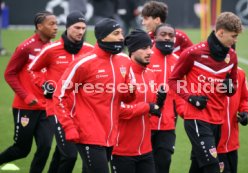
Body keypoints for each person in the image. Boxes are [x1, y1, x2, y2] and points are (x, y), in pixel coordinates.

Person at [52, 18, 136, 173]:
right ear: (103, 37)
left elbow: (127, 97)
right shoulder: (84, 63)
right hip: (88, 133)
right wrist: (69, 127)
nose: (121, 38)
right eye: (116, 33)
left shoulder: (125, 61)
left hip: (111, 134)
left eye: (121, 33)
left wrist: (130, 91)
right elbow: (59, 95)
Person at [168, 12, 243, 173]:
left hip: (217, 120)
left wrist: (229, 87)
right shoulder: (193, 53)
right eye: (234, 36)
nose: (235, 40)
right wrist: (190, 98)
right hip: (196, 118)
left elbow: (233, 88)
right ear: (221, 32)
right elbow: (173, 80)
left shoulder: (232, 56)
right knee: (213, 167)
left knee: (198, 167)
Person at [28, 11, 94, 173]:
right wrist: (45, 85)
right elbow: (32, 69)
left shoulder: (90, 50)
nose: (80, 32)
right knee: (70, 155)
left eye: (83, 28)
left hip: (81, 110)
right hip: (57, 108)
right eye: (76, 27)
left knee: (62, 151)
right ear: (67, 27)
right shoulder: (51, 49)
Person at [1, 11, 57, 173]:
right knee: (21, 150)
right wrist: (26, 96)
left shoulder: (53, 47)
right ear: (39, 26)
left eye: (56, 23)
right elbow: (9, 74)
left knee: (45, 147)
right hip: (25, 108)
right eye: (51, 24)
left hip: (46, 107)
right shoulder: (25, 47)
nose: (55, 27)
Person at [111, 29, 165, 173]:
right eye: (144, 48)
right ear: (132, 50)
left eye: (150, 47)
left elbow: (152, 108)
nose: (150, 52)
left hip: (146, 150)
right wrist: (147, 107)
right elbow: (118, 110)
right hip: (122, 151)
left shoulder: (151, 74)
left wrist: (159, 104)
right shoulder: (121, 74)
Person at [146, 23, 179, 173]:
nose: (167, 38)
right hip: (145, 121)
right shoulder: (145, 57)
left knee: (164, 163)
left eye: (170, 35)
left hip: (167, 124)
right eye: (163, 34)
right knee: (145, 166)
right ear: (155, 37)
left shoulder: (179, 61)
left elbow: (182, 92)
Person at [217, 67, 248, 173]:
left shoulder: (240, 72)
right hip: (214, 143)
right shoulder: (208, 73)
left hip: (232, 144)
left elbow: (244, 98)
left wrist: (246, 112)